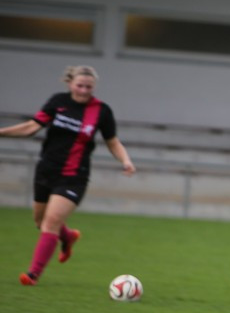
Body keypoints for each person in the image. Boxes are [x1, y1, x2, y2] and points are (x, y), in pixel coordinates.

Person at [0, 65, 136, 285]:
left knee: (51, 221)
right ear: (70, 83)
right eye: (80, 85)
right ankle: (68, 236)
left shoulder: (101, 111)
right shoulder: (58, 102)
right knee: (40, 221)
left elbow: (112, 141)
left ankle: (33, 274)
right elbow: (31, 127)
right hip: (46, 170)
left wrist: (125, 160)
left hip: (75, 176)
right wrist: (2, 133)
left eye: (88, 87)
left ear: (94, 87)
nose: (83, 91)